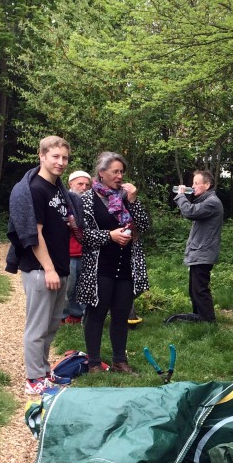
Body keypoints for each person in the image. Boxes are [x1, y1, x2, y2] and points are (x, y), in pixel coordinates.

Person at [5, 136, 79, 395]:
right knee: (37, 327)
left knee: (51, 326)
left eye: (65, 158)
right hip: (40, 269)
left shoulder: (57, 188)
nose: (61, 162)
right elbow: (32, 233)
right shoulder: (35, 189)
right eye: (55, 157)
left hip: (59, 267)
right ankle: (34, 379)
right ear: (42, 156)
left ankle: (45, 372)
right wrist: (48, 269)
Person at [76, 152, 150, 374]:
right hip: (100, 267)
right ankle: (94, 363)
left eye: (122, 172)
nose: (120, 176)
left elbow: (144, 226)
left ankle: (120, 361)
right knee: (96, 315)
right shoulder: (87, 199)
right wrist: (110, 235)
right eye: (115, 172)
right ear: (101, 172)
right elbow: (82, 235)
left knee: (121, 314)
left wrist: (134, 201)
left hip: (126, 266)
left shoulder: (127, 197)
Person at [169, 170, 223, 323]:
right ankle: (199, 317)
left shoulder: (212, 202)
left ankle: (208, 320)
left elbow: (189, 211)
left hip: (203, 253)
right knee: (194, 289)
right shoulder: (206, 201)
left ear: (207, 185)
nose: (192, 186)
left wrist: (180, 196)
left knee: (200, 289)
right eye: (193, 183)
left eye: (196, 183)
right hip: (200, 252)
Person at [61, 171, 91, 325]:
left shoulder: (91, 203)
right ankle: (61, 316)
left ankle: (76, 315)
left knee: (82, 286)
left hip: (86, 252)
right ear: (70, 184)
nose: (84, 187)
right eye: (80, 184)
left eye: (87, 185)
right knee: (67, 287)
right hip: (68, 251)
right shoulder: (63, 201)